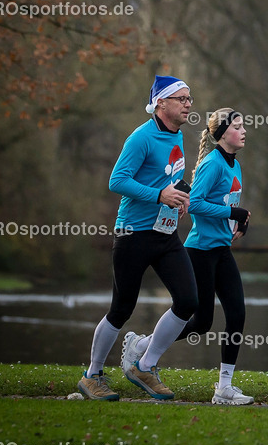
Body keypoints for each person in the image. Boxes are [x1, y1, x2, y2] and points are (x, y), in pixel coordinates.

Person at [77, 75, 198, 401]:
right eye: (182, 98)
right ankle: (92, 376)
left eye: (190, 99)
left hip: (165, 234)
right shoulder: (140, 138)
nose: (189, 104)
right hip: (133, 233)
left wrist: (180, 195)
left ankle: (144, 364)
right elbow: (118, 181)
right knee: (122, 308)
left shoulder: (178, 135)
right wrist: (160, 195)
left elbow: (169, 175)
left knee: (188, 301)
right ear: (161, 103)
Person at [175, 108, 254, 405]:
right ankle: (144, 346)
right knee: (202, 322)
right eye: (238, 126)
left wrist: (241, 223)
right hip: (199, 251)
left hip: (221, 250)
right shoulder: (213, 163)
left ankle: (224, 387)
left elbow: (229, 204)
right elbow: (195, 204)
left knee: (237, 314)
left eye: (244, 125)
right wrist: (232, 213)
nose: (244, 131)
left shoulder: (235, 165)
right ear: (222, 134)